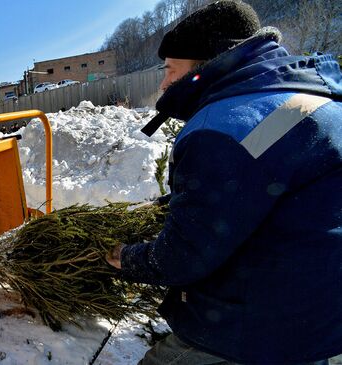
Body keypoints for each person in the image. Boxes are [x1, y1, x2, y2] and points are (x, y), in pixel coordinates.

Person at [106, 1, 342, 364]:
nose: (164, 82)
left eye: (170, 69)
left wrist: (128, 259)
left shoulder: (220, 128)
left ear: (205, 66)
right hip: (319, 318)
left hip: (258, 329)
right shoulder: (317, 98)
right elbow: (270, 186)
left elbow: (184, 255)